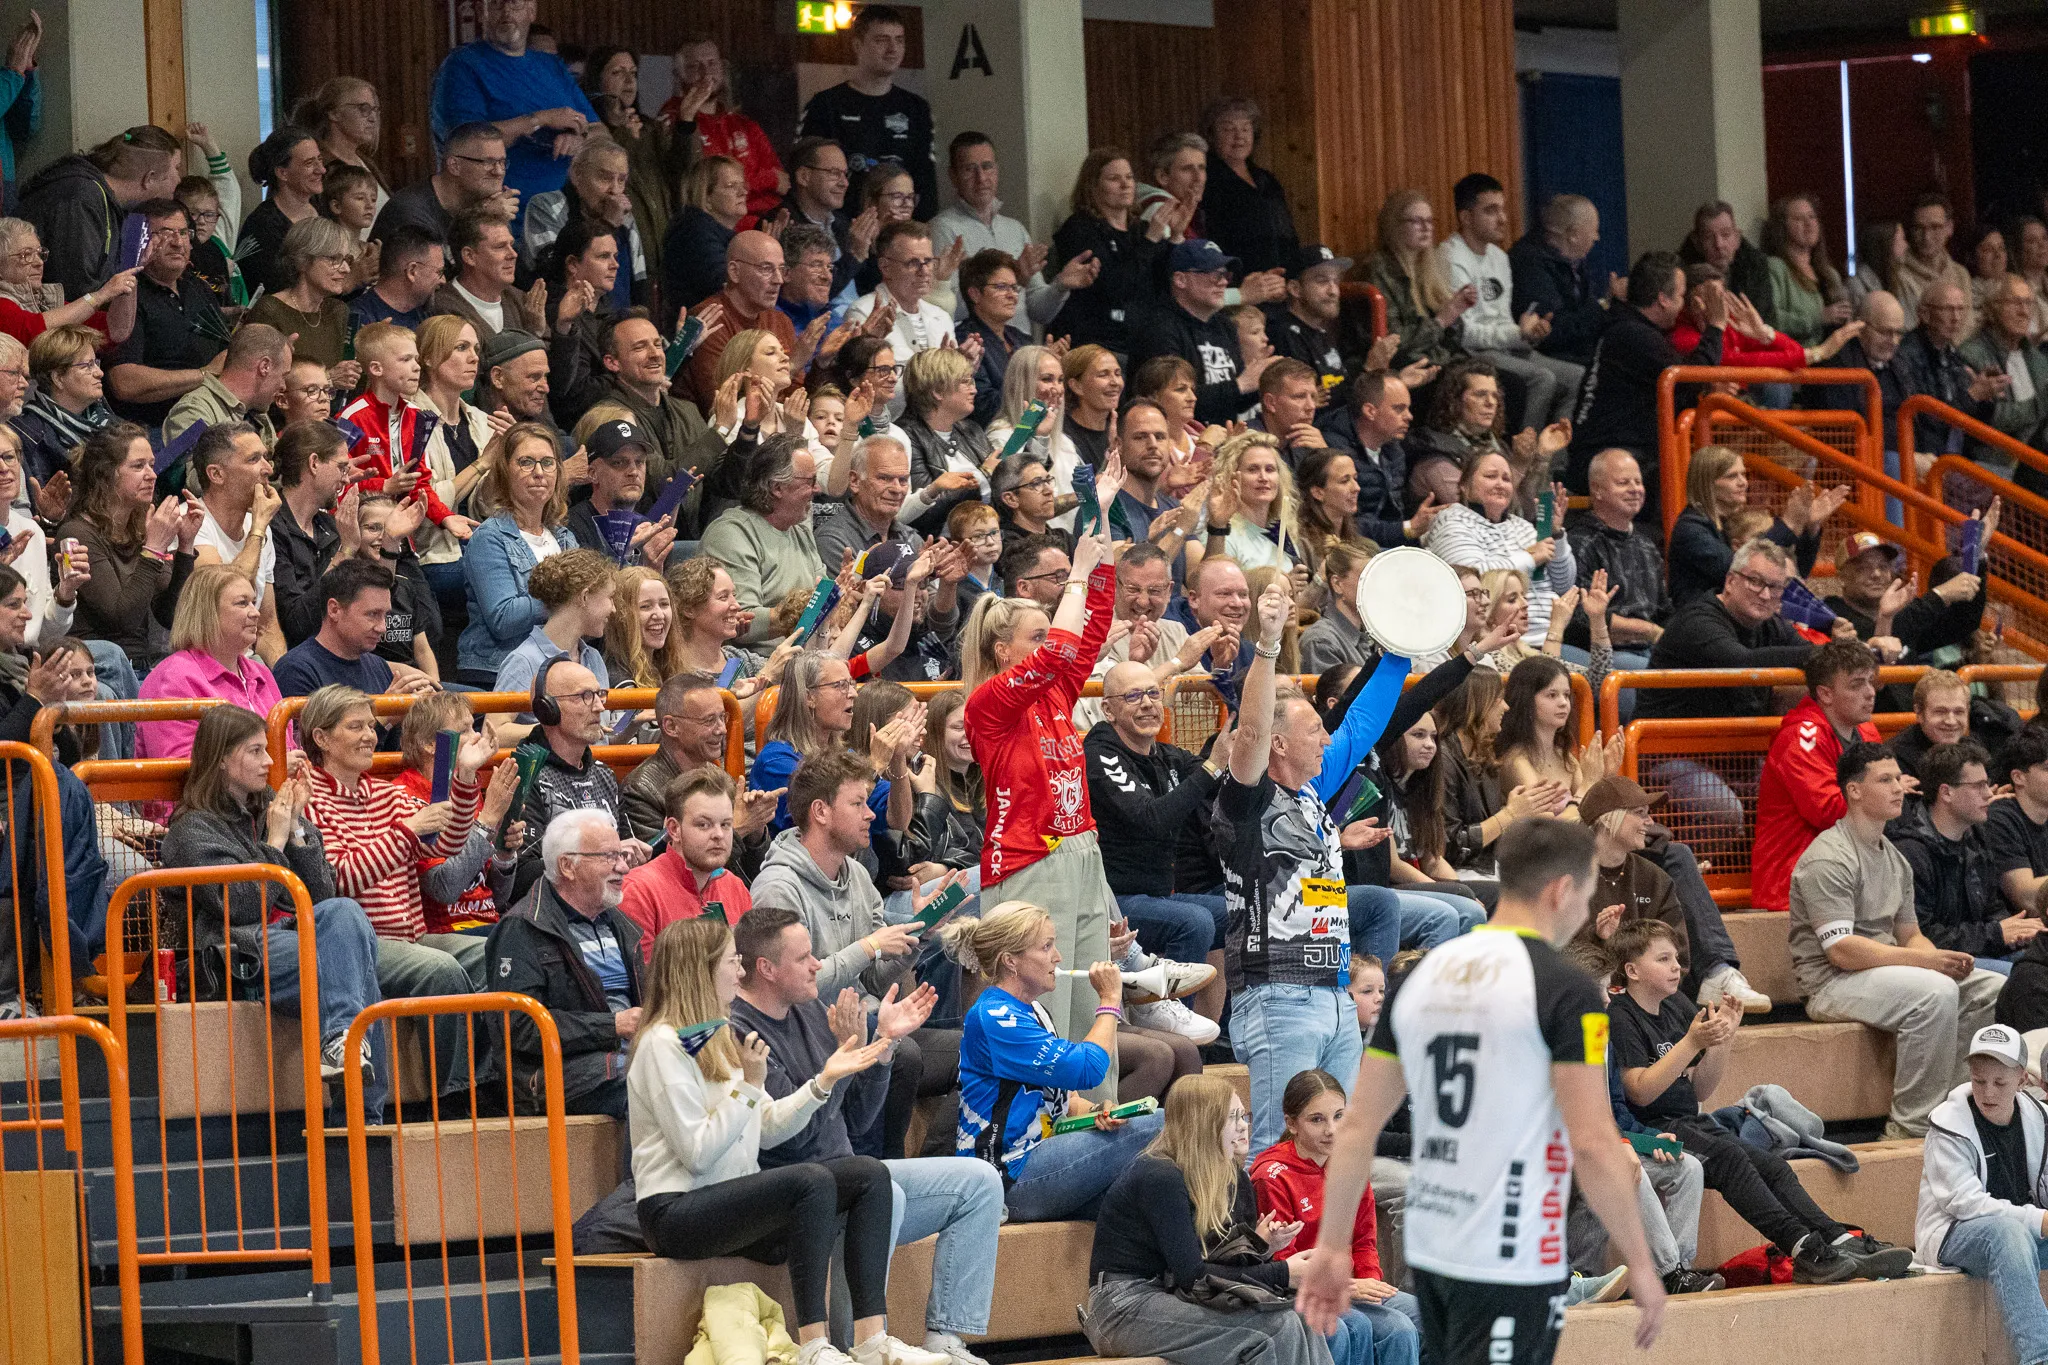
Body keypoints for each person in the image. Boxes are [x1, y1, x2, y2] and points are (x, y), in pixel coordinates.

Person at [1294, 819, 1668, 1361]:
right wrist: (1641, 1263)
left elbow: (1357, 1127)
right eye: (1586, 896)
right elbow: (1591, 1141)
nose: (1586, 914)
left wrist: (1331, 1246)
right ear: (1561, 890)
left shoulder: (1421, 974)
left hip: (1434, 1243)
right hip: (1509, 1253)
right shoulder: (1564, 990)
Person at [626, 916, 935, 1365]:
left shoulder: (709, 1036)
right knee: (809, 1181)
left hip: (727, 1199)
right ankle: (813, 1344)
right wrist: (748, 1088)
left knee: (867, 1173)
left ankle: (872, 1341)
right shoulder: (661, 1044)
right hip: (677, 1212)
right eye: (732, 962)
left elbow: (766, 1125)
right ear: (701, 970)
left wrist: (822, 1082)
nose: (739, 971)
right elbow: (696, 1153)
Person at [1220, 575, 1413, 1154]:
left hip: (1333, 992)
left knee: (1342, 1147)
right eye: (1314, 731)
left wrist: (1400, 650)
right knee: (1277, 1148)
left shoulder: (1311, 791)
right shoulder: (1247, 799)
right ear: (1278, 745)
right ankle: (1272, 1249)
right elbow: (1252, 728)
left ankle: (1333, 1249)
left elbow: (1362, 725)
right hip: (1278, 992)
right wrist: (1272, 645)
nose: (1328, 740)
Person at [1608, 918, 1912, 1282]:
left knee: (1773, 1166)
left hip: (1689, 1121)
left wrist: (1723, 1040)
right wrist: (1692, 1043)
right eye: (1662, 959)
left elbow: (1700, 1089)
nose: (1676, 967)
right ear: (1632, 970)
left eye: (1676, 958)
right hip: (1654, 1129)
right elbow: (1639, 1091)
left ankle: (1838, 1237)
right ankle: (1802, 1247)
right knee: (1731, 1159)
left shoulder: (1676, 1008)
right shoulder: (1621, 1015)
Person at [961, 469, 1135, 1078]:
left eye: (1044, 635)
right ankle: (1039, 1140)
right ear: (1002, 651)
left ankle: (1102, 1122)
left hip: (1081, 852)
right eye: (1031, 638)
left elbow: (1093, 620)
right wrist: (1078, 571)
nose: (1046, 646)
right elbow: (1063, 648)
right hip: (1028, 862)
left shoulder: (1055, 695)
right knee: (1047, 1013)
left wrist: (1103, 516)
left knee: (1095, 1001)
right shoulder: (988, 704)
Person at [157, 706, 385, 1092]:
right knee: (352, 969)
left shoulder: (272, 807)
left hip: (294, 935)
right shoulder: (191, 829)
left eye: (268, 749)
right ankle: (364, 1123)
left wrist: (296, 829)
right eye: (255, 751)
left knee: (345, 914)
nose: (269, 762)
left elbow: (321, 896)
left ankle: (341, 1048)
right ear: (222, 760)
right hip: (238, 952)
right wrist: (275, 843)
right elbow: (241, 909)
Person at [1790, 741, 2005, 1139]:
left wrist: (1942, 957)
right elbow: (1841, 950)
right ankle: (1911, 1127)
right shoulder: (1830, 857)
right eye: (1884, 780)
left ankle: (1956, 1108)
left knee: (1989, 987)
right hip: (1830, 983)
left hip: (1881, 971)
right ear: (1854, 790)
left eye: (1897, 779)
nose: (1898, 788)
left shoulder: (1894, 857)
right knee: (1935, 992)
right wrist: (1927, 965)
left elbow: (1910, 935)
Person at [1083, 1075, 1352, 1365]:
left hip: (1170, 1293)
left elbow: (1216, 1264)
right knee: (1275, 1329)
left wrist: (1263, 1246)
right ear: (1205, 1123)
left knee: (1300, 1318)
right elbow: (1194, 1275)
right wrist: (1284, 1272)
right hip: (1123, 1305)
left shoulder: (1231, 1176)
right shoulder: (1159, 1175)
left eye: (1243, 1115)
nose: (1243, 1125)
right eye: (1232, 1117)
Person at [937, 901, 1164, 1220]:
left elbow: (1064, 1098)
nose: (1057, 957)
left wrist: (1099, 1112)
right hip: (1007, 1178)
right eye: (1046, 947)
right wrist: (1111, 1000)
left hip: (1041, 1158)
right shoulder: (997, 1018)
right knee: (1165, 1121)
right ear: (1010, 960)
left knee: (1140, 1199)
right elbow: (1088, 1069)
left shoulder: (1034, 1010)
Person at [1084, 659, 1229, 1034]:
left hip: (1156, 896)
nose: (1147, 703)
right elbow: (1152, 819)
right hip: (1113, 903)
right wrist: (1212, 768)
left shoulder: (1167, 757)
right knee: (1193, 921)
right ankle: (1161, 1012)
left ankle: (1223, 1025)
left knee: (1238, 908)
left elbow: (1221, 776)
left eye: (1152, 693)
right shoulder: (1100, 751)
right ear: (1108, 709)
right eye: (1133, 696)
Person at [1250, 1071, 1425, 1365]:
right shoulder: (1272, 1176)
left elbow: (1364, 1242)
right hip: (1297, 1291)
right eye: (1316, 1119)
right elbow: (1285, 1264)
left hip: (1349, 1284)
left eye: (1339, 1116)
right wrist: (1351, 1288)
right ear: (1292, 1124)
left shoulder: (1349, 1163)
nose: (1331, 1129)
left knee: (1422, 1316)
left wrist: (1370, 1284)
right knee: (1389, 1328)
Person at [1566, 251, 1725, 514]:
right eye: (1682, 296)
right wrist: (1716, 326)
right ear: (1663, 299)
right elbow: (1691, 377)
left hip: (1616, 451)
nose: (1684, 304)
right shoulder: (1632, 335)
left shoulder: (1628, 328)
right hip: (1605, 458)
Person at [428, 0, 594, 235]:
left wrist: (580, 141)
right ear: (480, 13)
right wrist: (540, 120)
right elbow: (465, 146)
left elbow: (600, 132)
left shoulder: (552, 66)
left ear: (532, 10)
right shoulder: (461, 66)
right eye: (496, 4)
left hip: (561, 222)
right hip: (494, 224)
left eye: (514, 3)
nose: (506, 12)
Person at [1439, 173, 1581, 428]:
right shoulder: (1451, 256)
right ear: (1466, 217)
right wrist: (1518, 333)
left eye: (1502, 209)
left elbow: (1502, 319)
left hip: (1507, 348)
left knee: (1577, 377)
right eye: (1491, 211)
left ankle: (1553, 460)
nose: (1503, 219)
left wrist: (1530, 332)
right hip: (1472, 353)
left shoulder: (1499, 257)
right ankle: (1523, 458)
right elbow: (1465, 333)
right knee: (1542, 379)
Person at [1751, 642, 1883, 913]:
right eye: (1857, 684)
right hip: (1792, 890)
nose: (1870, 693)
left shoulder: (1867, 731)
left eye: (1871, 682)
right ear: (1825, 693)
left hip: (1849, 880)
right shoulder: (1801, 737)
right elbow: (1828, 811)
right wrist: (1886, 794)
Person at [55, 422, 199, 670]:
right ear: (107, 474)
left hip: (142, 665)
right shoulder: (77, 533)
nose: (152, 475)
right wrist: (153, 549)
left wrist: (185, 546)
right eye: (138, 466)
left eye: (152, 465)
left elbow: (171, 616)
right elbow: (121, 619)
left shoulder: (141, 530)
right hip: (99, 669)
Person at [1635, 538, 1815, 723]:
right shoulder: (1697, 621)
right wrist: (1819, 653)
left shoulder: (1771, 624)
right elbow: (1741, 663)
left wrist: (1831, 652)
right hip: (1666, 745)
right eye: (1755, 581)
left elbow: (1810, 652)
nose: (1765, 595)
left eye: (1775, 587)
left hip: (1735, 745)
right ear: (1730, 581)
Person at [455, 422, 575, 685]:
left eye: (547, 462)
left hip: (557, 669)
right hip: (498, 673)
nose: (539, 473)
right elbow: (504, 618)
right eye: (526, 462)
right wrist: (568, 600)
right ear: (504, 472)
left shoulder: (564, 538)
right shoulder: (490, 537)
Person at [931, 134, 1086, 333]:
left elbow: (1040, 312)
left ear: (997, 170)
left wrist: (1061, 285)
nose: (981, 178)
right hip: (976, 351)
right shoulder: (942, 228)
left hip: (1019, 349)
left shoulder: (1015, 229)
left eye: (987, 167)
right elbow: (945, 310)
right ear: (953, 176)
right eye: (970, 169)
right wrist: (1015, 280)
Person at [1896, 740, 2027, 976]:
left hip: (1981, 947)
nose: (1989, 794)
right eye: (1978, 786)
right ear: (1946, 792)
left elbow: (1991, 908)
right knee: (2021, 979)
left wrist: (2018, 931)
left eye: (1986, 784)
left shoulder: (1976, 837)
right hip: (1938, 961)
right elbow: (1921, 935)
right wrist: (1996, 933)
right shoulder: (1911, 851)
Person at [1423, 448, 1574, 646]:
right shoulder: (1451, 521)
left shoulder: (1524, 527)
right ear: (1465, 486)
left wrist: (1556, 535)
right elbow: (1474, 581)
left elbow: (1564, 584)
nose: (1500, 484)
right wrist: (1528, 558)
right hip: (1490, 641)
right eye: (1491, 476)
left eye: (1506, 479)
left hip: (1548, 636)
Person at [19, 124, 181, 306]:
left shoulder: (116, 206)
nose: (179, 180)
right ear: (149, 178)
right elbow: (76, 289)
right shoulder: (80, 197)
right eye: (176, 169)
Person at [796, 6, 934, 217]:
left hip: (899, 232)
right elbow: (804, 175)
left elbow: (925, 183)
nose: (892, 49)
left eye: (899, 40)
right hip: (842, 227)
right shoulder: (826, 105)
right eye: (881, 40)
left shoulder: (916, 108)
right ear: (858, 45)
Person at [1665, 444, 1837, 610]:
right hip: (1699, 625)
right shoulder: (1691, 529)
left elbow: (1793, 575)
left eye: (1743, 474)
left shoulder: (1730, 523)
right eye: (1732, 476)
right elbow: (1740, 568)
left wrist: (1811, 528)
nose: (1743, 483)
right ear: (1707, 483)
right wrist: (1789, 524)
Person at [135, 564, 278, 759]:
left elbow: (287, 745)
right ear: (207, 611)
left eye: (253, 602)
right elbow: (178, 768)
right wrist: (273, 764)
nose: (256, 613)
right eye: (242, 603)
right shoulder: (174, 678)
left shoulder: (261, 673)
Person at [1127, 237, 1273, 426]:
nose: (1223, 283)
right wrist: (1240, 385)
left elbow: (1235, 401)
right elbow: (1170, 400)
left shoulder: (1224, 326)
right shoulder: (1159, 329)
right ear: (1181, 279)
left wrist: (1263, 380)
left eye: (1225, 275)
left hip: (1222, 436)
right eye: (1214, 275)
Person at [697, 436, 826, 646]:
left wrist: (844, 591)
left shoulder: (799, 529)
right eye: (810, 481)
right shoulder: (731, 534)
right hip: (754, 666)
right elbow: (740, 624)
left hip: (806, 661)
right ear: (777, 487)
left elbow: (821, 596)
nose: (817, 489)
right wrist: (807, 608)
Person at [1047, 149, 1174, 355]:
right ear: (1093, 187)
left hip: (1142, 344)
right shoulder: (1079, 229)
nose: (1125, 185)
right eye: (1114, 178)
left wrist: (1176, 236)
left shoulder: (1141, 229)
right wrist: (1150, 241)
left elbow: (1168, 282)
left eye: (1129, 177)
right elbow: (1114, 287)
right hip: (1098, 345)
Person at [618, 765, 754, 952]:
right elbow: (646, 978)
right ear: (673, 829)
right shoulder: (639, 891)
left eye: (725, 824)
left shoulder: (735, 888)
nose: (718, 835)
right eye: (704, 825)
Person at [1565, 449, 1667, 666]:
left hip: (1650, 649)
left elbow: (1664, 610)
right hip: (1602, 653)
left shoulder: (1647, 545)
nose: (1635, 490)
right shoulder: (1579, 542)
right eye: (1623, 483)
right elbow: (1579, 618)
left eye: (1638, 482)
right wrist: (1647, 630)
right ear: (1598, 491)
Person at [272, 556, 417, 699]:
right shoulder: (296, 670)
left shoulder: (377, 666)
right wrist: (386, 717)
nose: (382, 628)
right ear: (334, 610)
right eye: (372, 614)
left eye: (385, 615)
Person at [1363, 190, 1473, 373]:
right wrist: (1441, 321)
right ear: (1394, 226)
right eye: (1416, 221)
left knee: (1497, 378)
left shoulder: (1431, 268)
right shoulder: (1379, 271)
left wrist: (1456, 314)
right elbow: (1394, 341)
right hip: (1406, 367)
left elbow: (1451, 340)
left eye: (1429, 221)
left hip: (1438, 360)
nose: (1426, 227)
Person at [1510, 193, 1617, 369]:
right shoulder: (1530, 264)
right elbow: (1555, 331)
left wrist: (1606, 304)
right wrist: (1603, 308)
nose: (1596, 238)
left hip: (1576, 352)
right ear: (1573, 234)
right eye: (1594, 231)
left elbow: (1584, 313)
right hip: (1550, 355)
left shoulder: (1573, 261)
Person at [1961, 275, 2048, 491]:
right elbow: (1990, 419)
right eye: (2015, 303)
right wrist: (2040, 404)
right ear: (1992, 308)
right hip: (1993, 464)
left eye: (2028, 303)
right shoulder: (1972, 355)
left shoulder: (2038, 360)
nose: (2024, 311)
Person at [0, 216, 136, 350]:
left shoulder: (46, 300)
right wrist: (100, 296)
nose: (39, 262)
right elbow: (34, 332)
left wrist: (129, 278)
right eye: (26, 255)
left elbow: (112, 331)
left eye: (39, 253)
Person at [373, 122, 520, 247]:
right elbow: (437, 275)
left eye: (502, 162)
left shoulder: (491, 203)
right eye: (488, 162)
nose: (499, 171)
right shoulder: (409, 211)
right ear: (454, 165)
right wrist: (481, 218)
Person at [1196, 97, 1297, 278]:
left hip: (1282, 277)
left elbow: (1287, 230)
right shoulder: (1208, 180)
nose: (1239, 136)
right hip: (1239, 279)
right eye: (1228, 129)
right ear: (1212, 135)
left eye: (1245, 128)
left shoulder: (1267, 179)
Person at [244, 217, 360, 372]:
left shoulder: (337, 311)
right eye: (334, 259)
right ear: (302, 261)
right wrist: (329, 379)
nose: (346, 269)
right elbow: (259, 378)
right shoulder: (270, 311)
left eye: (346, 259)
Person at [12, 323, 114, 491]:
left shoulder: (111, 423)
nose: (99, 373)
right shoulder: (28, 435)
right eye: (87, 366)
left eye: (96, 363)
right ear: (58, 378)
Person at [163, 321, 286, 448]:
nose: (284, 386)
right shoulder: (193, 411)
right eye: (283, 375)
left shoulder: (256, 414)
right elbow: (198, 467)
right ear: (264, 366)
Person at [431, 208, 542, 344]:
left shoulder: (520, 299)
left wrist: (563, 327)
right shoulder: (444, 308)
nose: (513, 254)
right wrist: (532, 335)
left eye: (511, 245)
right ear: (469, 256)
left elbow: (554, 363)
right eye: (500, 247)